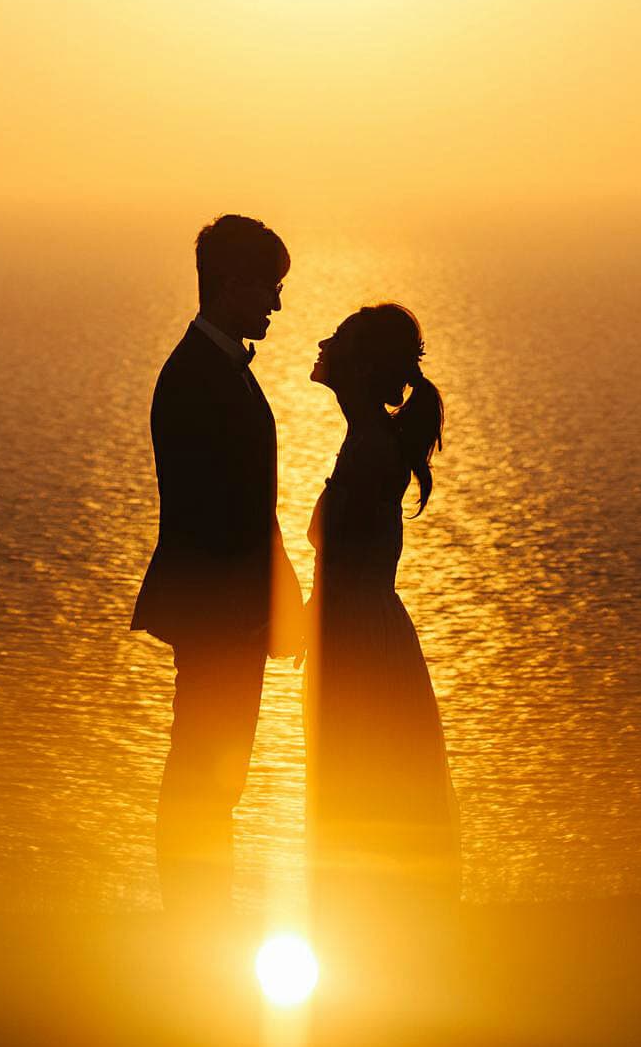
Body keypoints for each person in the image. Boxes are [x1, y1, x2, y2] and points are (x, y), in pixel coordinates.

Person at [129, 214, 305, 917]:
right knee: (204, 766)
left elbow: (250, 507)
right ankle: (194, 915)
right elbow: (218, 511)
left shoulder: (211, 369)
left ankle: (203, 910)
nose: (277, 304)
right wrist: (262, 608)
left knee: (214, 771)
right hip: (219, 614)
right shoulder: (197, 378)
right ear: (230, 282)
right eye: (269, 286)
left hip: (231, 611)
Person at [302, 303, 458, 922]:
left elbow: (341, 553)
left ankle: (367, 925)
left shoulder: (369, 447)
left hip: (359, 642)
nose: (322, 343)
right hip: (355, 630)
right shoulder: (367, 440)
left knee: (359, 781)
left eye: (335, 339)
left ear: (360, 365)